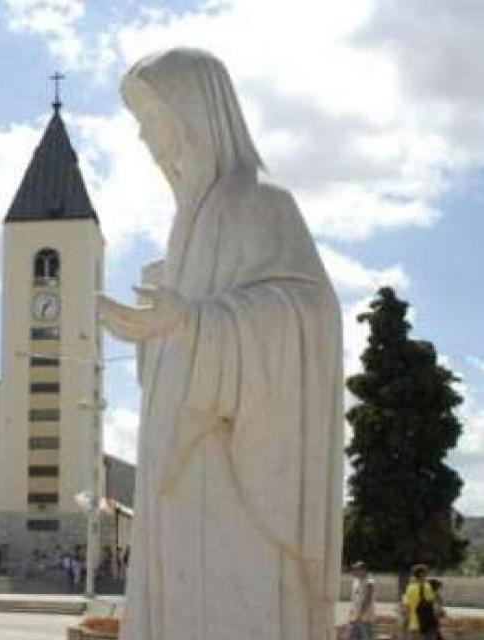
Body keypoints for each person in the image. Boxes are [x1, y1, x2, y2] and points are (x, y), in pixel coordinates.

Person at [98, 48, 343, 640]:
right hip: (179, 478)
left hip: (240, 482)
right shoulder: (186, 227)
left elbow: (313, 315)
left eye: (151, 117)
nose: (142, 137)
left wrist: (199, 323)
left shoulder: (261, 203)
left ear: (195, 114)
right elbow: (182, 343)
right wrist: (160, 328)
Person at [402, 564, 439, 640]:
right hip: (426, 623)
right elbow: (432, 602)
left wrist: (405, 622)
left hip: (413, 624)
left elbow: (406, 607)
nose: (427, 576)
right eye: (426, 573)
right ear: (421, 574)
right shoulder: (426, 587)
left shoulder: (409, 587)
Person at [348, 561, 376, 640]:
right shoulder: (356, 581)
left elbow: (368, 599)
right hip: (355, 618)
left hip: (365, 618)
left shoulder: (369, 581)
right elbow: (354, 600)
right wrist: (351, 614)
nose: (354, 572)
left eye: (356, 569)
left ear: (363, 570)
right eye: (354, 569)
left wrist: (360, 614)